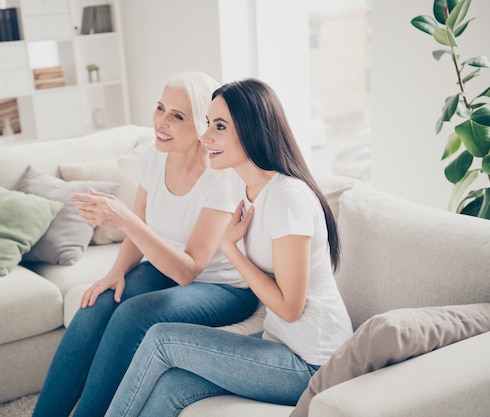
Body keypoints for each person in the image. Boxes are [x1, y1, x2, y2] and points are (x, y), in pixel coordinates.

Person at [104, 78, 354, 417]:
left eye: (219, 127)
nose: (205, 137)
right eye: (208, 124)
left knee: (161, 339)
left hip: (313, 364)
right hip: (279, 345)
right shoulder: (246, 188)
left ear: (252, 131)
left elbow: (290, 308)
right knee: (171, 384)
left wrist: (230, 249)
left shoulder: (288, 198)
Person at [31, 72, 259, 417]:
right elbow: (140, 228)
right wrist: (115, 272)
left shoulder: (221, 178)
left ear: (201, 125)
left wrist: (124, 219)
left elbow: (188, 270)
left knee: (132, 316)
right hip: (162, 267)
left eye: (176, 116)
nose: (161, 122)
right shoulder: (154, 158)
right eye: (160, 108)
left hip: (222, 287)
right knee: (96, 301)